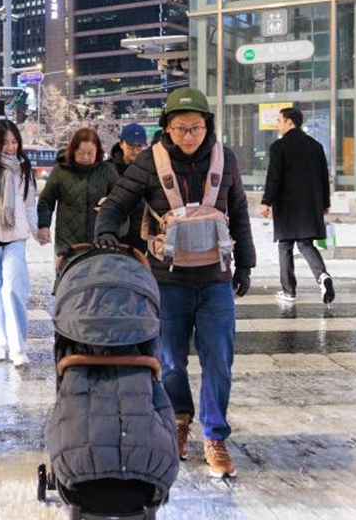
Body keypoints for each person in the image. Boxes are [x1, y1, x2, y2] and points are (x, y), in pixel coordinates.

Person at [94, 87, 255, 478]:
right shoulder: (151, 162)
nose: (188, 136)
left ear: (207, 126)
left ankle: (215, 436)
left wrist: (246, 263)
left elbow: (239, 213)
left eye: (196, 127)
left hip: (216, 279)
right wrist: (106, 231)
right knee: (169, 362)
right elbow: (116, 202)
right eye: (180, 128)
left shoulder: (225, 159)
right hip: (168, 280)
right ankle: (179, 419)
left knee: (219, 362)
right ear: (167, 127)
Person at [259, 107, 334, 306]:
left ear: (289, 122)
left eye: (279, 120)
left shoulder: (279, 147)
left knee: (285, 246)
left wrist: (266, 201)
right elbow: (323, 178)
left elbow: (274, 177)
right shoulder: (315, 146)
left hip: (287, 205)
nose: (277, 124)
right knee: (305, 244)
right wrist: (325, 202)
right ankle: (322, 276)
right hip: (310, 204)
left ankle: (289, 291)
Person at [0, 119, 38, 367]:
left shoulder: (24, 168)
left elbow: (29, 202)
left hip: (16, 237)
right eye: (5, 143)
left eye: (14, 142)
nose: (11, 147)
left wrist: (37, 231)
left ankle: (17, 345)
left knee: (13, 289)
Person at [36, 127, 119, 265]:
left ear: (97, 151)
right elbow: (46, 200)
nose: (86, 157)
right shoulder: (61, 170)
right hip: (67, 242)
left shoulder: (108, 170)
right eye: (81, 153)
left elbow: (120, 201)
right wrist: (44, 225)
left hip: (100, 240)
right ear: (73, 150)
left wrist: (109, 204)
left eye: (90, 153)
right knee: (68, 280)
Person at [108, 123, 149, 254]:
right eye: (131, 146)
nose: (136, 150)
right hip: (116, 233)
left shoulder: (151, 169)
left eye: (139, 146)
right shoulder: (108, 169)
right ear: (121, 144)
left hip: (142, 234)